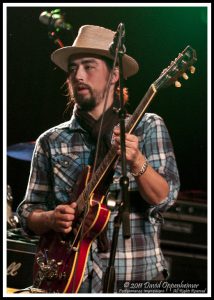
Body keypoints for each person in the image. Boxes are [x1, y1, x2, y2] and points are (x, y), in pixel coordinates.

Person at [17, 24, 180, 293]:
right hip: (68, 280)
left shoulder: (147, 126)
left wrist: (138, 161)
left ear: (115, 74)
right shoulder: (50, 141)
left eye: (89, 66)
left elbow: (165, 198)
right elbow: (26, 214)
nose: (78, 75)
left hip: (135, 279)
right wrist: (50, 219)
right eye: (72, 68)